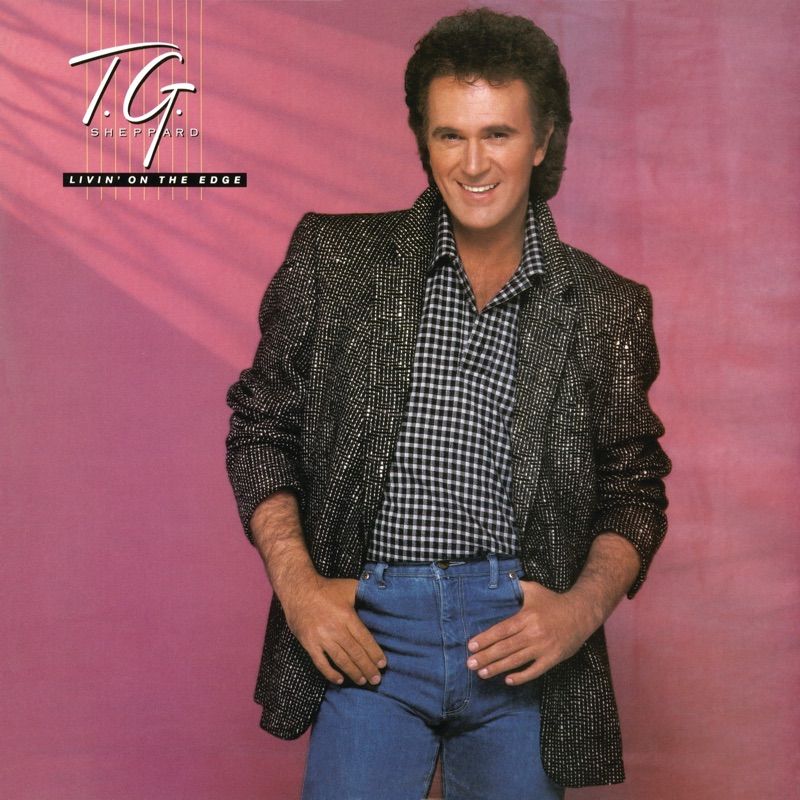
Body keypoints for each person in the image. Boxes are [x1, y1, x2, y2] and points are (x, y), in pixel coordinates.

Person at [225, 8, 670, 799]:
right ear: (424, 142)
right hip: (371, 639)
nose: (473, 164)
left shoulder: (606, 307)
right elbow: (261, 430)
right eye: (449, 136)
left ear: (542, 140)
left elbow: (634, 488)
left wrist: (578, 610)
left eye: (497, 134)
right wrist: (299, 587)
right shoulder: (336, 261)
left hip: (519, 649)